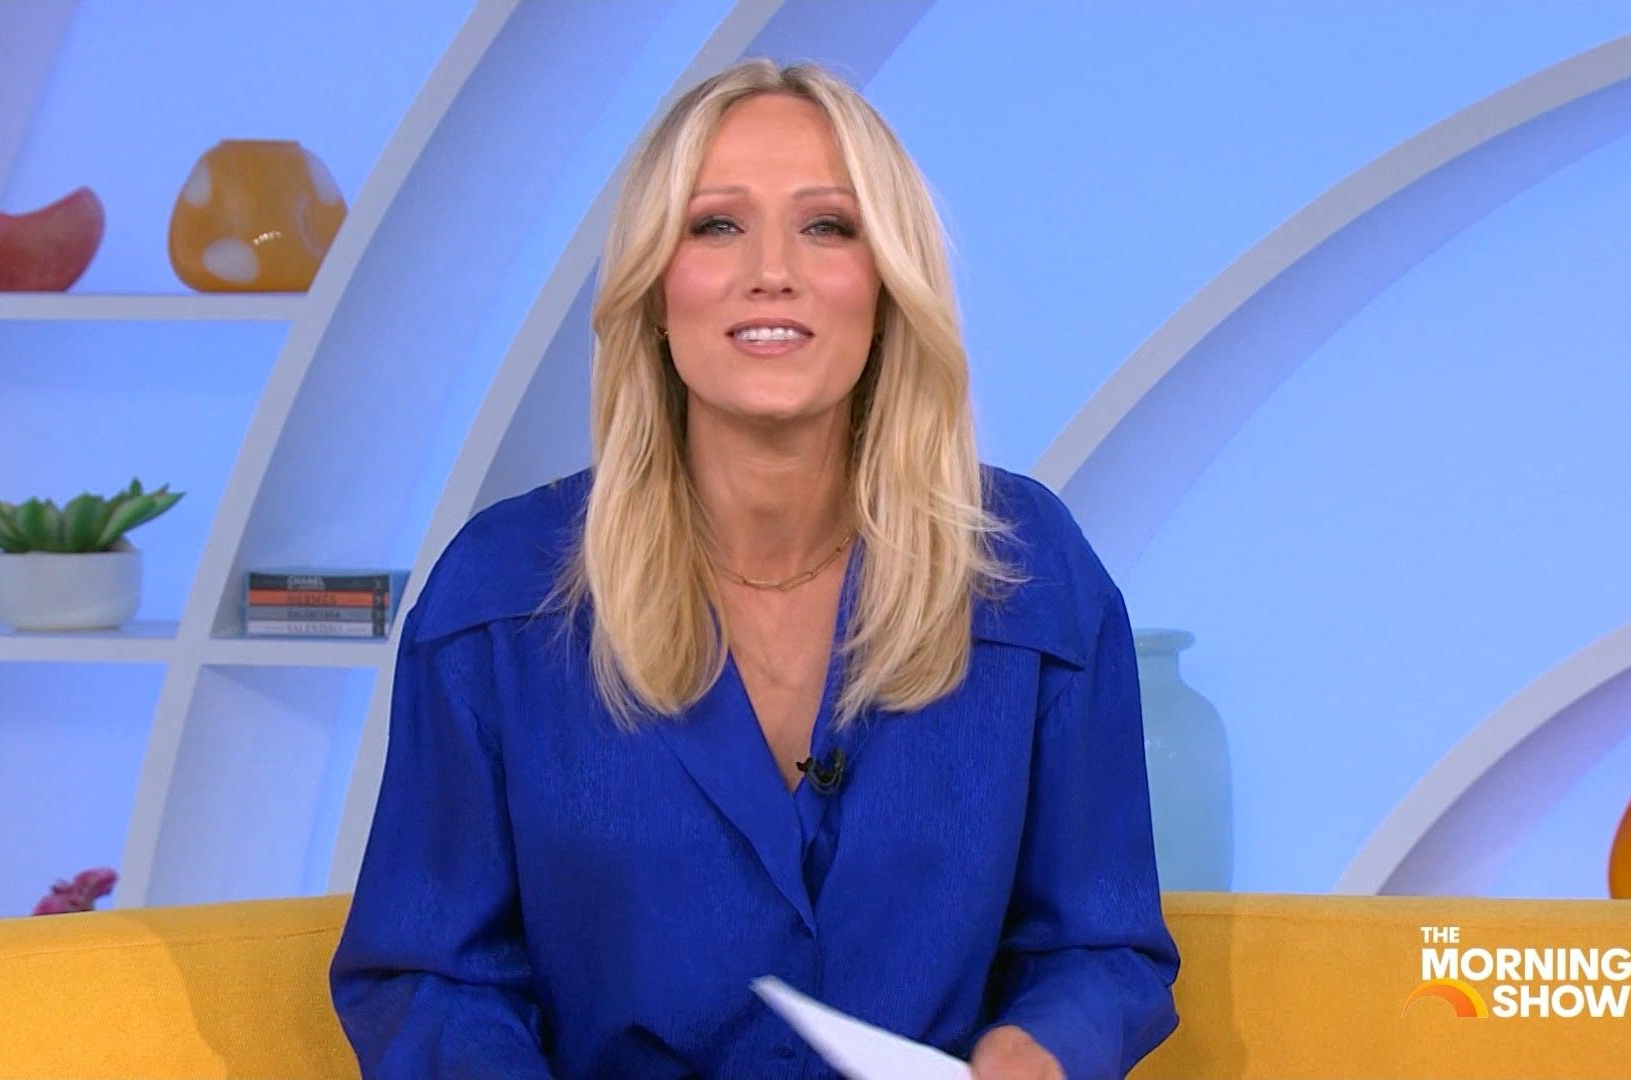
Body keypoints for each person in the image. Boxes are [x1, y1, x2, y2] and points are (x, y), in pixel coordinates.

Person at [329, 57, 1180, 1079]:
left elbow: (1102, 945)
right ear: (655, 288)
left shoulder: (1029, 573)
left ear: (887, 284)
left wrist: (1036, 1052)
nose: (771, 270)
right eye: (716, 225)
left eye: (827, 226)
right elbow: (430, 976)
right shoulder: (500, 595)